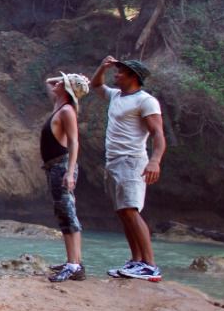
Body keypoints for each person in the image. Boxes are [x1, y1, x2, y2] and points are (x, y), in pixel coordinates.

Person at [90, 56, 166, 281]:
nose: (116, 74)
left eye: (120, 71)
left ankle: (150, 265)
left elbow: (158, 134)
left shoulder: (146, 101)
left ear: (134, 77)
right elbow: (95, 85)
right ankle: (136, 262)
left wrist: (155, 160)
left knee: (131, 210)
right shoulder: (116, 95)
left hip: (132, 161)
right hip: (113, 161)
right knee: (123, 212)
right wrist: (102, 67)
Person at [42, 72, 90, 282]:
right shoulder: (60, 105)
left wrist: (70, 173)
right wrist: (71, 80)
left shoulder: (67, 110)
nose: (57, 82)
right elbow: (48, 82)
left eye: (63, 81)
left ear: (67, 89)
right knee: (64, 213)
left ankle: (73, 265)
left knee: (68, 213)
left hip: (62, 166)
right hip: (54, 167)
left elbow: (74, 142)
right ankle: (74, 263)